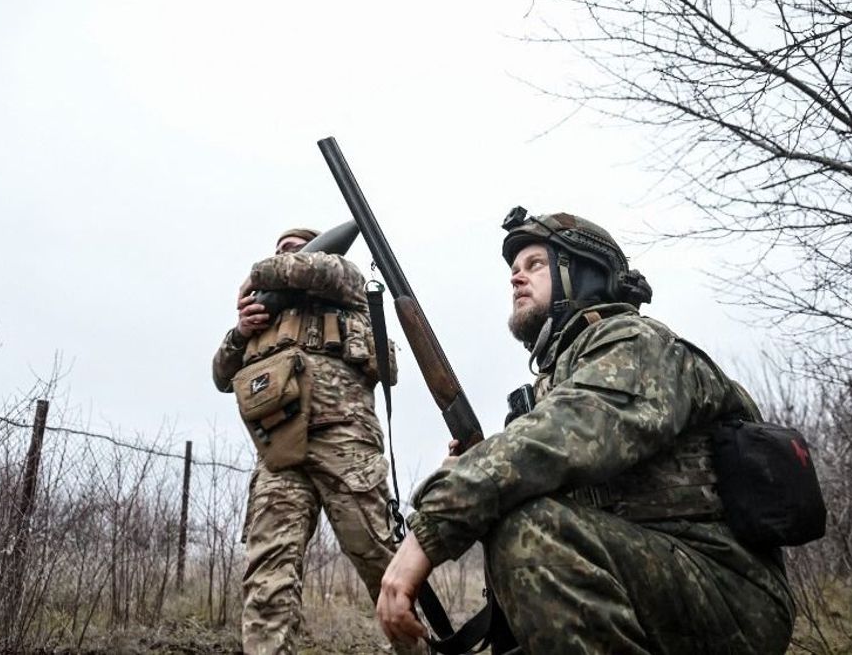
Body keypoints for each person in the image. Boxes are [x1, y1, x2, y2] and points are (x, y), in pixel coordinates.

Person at [375, 210, 795, 654]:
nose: (517, 279)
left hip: (730, 592)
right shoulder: (557, 380)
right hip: (650, 576)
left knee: (530, 532)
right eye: (514, 271)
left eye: (535, 265)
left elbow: (562, 435)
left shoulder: (638, 343)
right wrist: (470, 476)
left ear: (584, 274)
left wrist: (433, 525)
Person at [213, 227, 422, 655]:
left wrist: (260, 273)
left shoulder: (340, 279)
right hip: (279, 451)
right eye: (280, 252)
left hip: (345, 440)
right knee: (267, 577)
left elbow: (320, 268)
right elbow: (220, 374)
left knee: (384, 564)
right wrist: (240, 329)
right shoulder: (262, 318)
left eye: (296, 250)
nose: (287, 258)